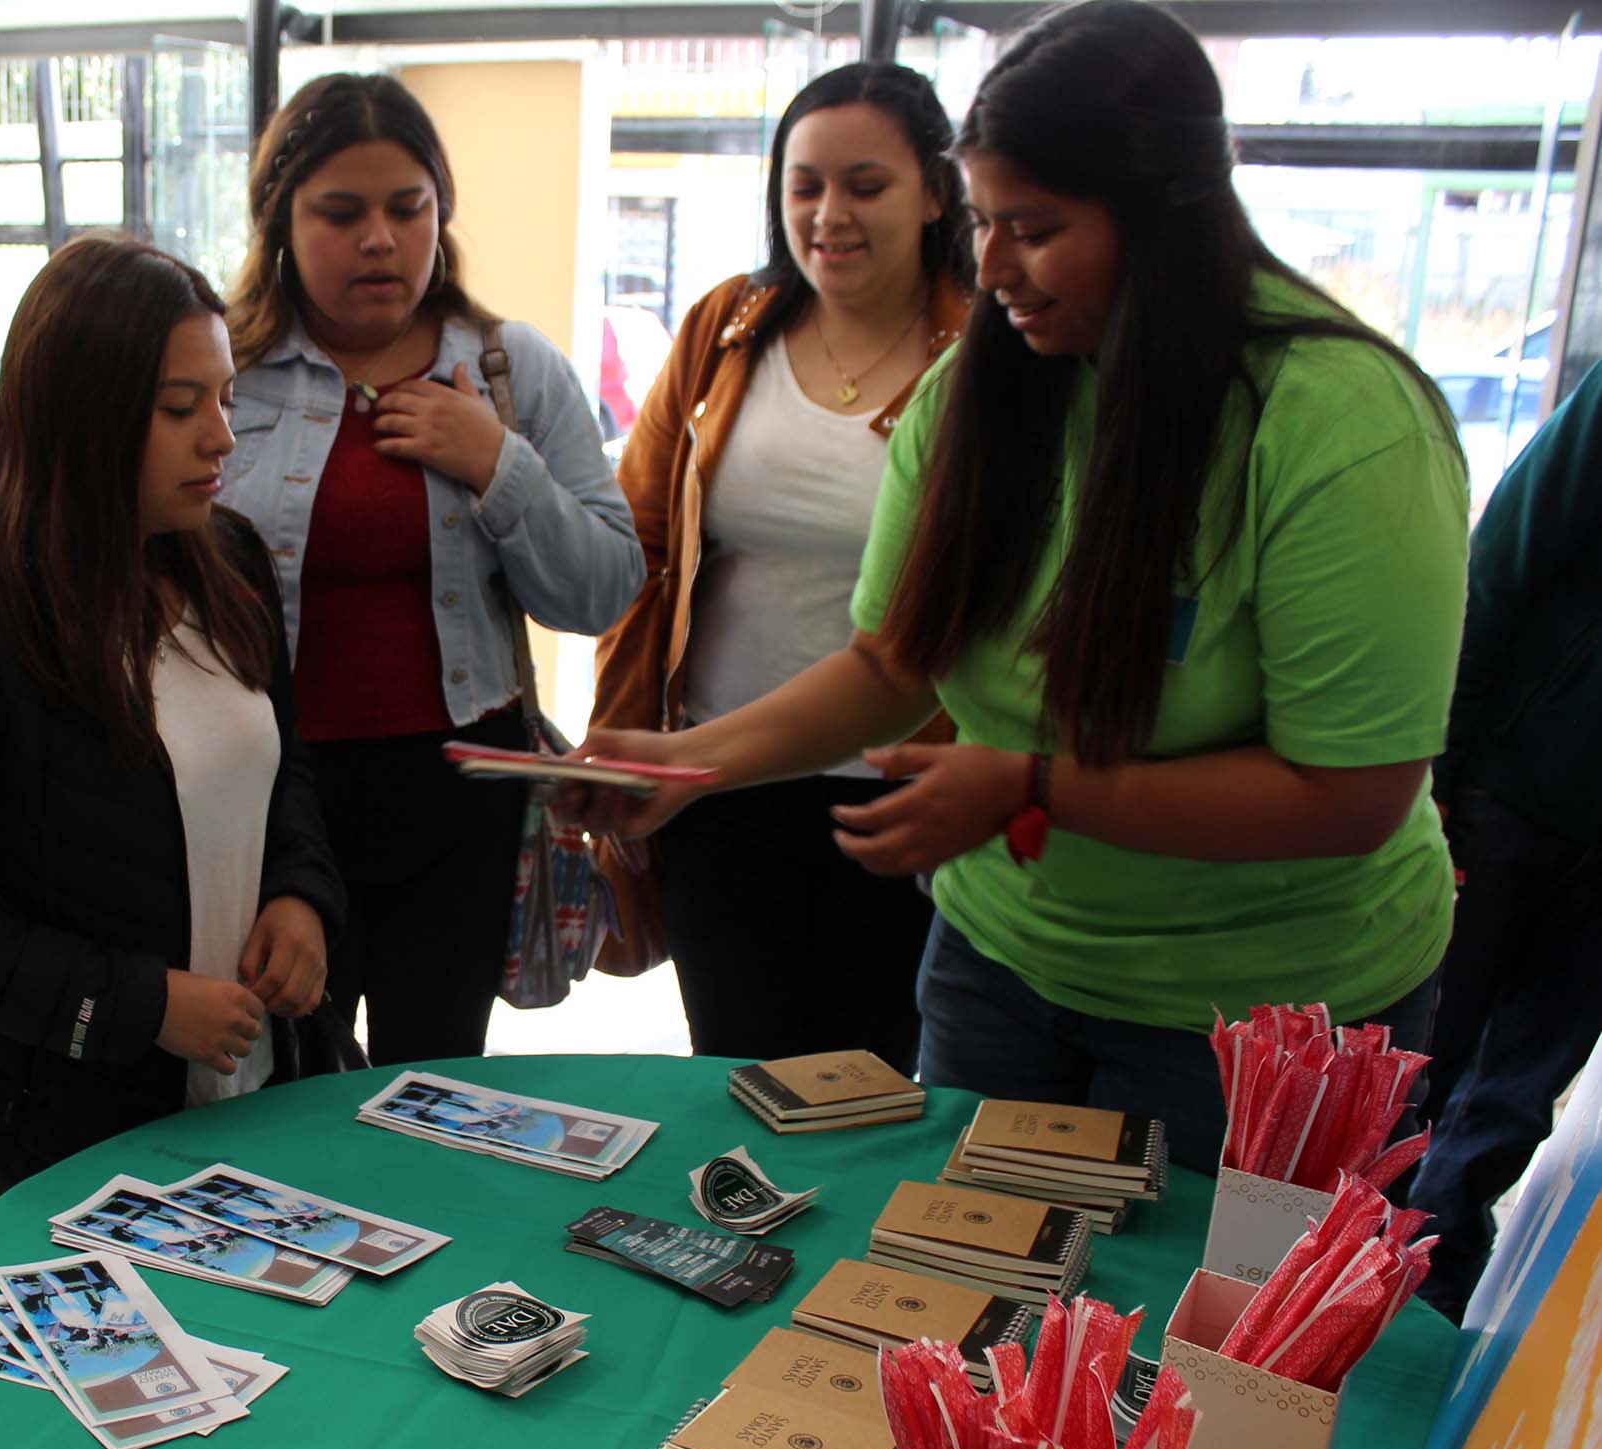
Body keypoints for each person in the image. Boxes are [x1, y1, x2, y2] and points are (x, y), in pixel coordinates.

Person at [567, 0, 1465, 1174]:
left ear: (1166, 216)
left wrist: (1029, 783)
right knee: (973, 1318)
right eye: (984, 222)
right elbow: (895, 663)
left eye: (1033, 230)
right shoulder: (977, 391)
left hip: (1269, 1017)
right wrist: (689, 763)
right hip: (1004, 966)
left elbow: (1351, 792)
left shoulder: (1339, 423)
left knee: (1200, 1350)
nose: (990, 268)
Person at [0, 235, 345, 1213]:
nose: (220, 439)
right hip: (45, 1113)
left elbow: (281, 772)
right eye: (179, 408)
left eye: (225, 398)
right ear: (81, 412)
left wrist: (301, 895)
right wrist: (141, 1005)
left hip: (245, 1084)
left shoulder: (227, 560)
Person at [219, 72, 640, 1065]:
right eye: (342, 212)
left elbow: (604, 587)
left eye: (408, 209)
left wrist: (497, 461)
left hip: (454, 793)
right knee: (278, 1077)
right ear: (279, 221)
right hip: (273, 792)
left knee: (433, 1085)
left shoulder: (509, 369)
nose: (380, 239)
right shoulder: (221, 366)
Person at [592, 63, 973, 1067]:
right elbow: (645, 551)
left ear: (935, 193)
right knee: (738, 1076)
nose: (828, 214)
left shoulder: (986, 358)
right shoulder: (728, 328)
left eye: (864, 184)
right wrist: (629, 737)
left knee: (875, 1087)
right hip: (720, 782)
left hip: (903, 790)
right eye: (803, 186)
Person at [1407, 365, 1602, 1321]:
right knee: (1415, 1069)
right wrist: (1437, 770)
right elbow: (1502, 561)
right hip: (1509, 791)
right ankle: (1330, 1288)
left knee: (1517, 1099)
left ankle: (1432, 1289)